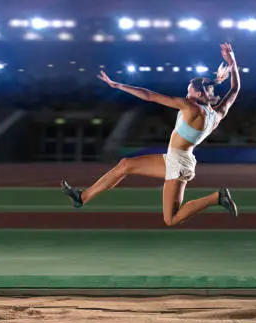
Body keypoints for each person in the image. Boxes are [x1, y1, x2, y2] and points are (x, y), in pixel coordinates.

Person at [61, 43, 240, 226]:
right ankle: (81, 197)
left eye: (189, 93)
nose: (186, 96)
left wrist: (117, 85)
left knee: (171, 219)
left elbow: (149, 96)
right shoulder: (217, 114)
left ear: (199, 93)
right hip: (178, 159)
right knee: (125, 165)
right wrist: (232, 61)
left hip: (178, 162)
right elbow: (234, 90)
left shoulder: (192, 107)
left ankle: (217, 198)